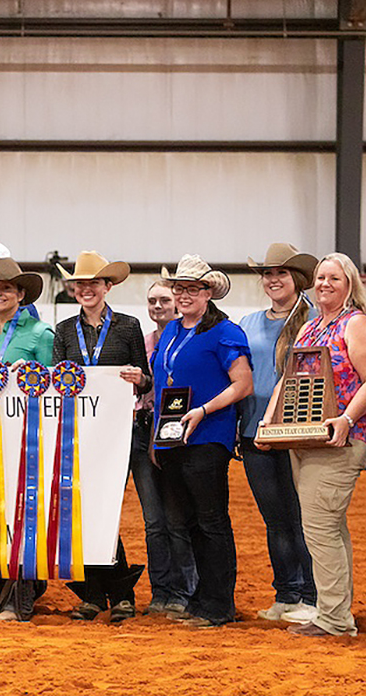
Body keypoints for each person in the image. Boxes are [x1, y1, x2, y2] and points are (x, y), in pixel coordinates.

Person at [260, 252, 366, 638]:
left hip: (340, 440)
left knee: (319, 527)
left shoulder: (356, 324)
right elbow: (288, 378)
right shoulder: (311, 328)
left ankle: (333, 619)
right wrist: (269, 419)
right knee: (327, 526)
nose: (325, 284)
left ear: (350, 284)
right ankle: (336, 611)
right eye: (320, 277)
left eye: (334, 278)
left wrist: (347, 420)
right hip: (307, 437)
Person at [152, 255, 252, 628]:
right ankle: (202, 597)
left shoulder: (225, 332)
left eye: (193, 288)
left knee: (211, 521)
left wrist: (204, 411)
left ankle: (219, 603)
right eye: (179, 288)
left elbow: (243, 384)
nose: (184, 295)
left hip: (208, 435)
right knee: (190, 521)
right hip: (172, 439)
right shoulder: (172, 331)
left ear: (208, 292)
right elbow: (165, 386)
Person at [51, 251, 150, 623]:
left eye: (94, 283)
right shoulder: (63, 331)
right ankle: (107, 593)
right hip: (78, 435)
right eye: (80, 284)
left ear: (107, 286)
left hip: (116, 434)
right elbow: (57, 381)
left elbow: (147, 378)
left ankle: (107, 594)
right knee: (85, 511)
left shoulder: (127, 326)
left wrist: (140, 379)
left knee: (104, 510)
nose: (86, 289)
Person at [0, 257, 54, 621]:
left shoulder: (40, 334)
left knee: (26, 515)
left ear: (20, 293)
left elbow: (54, 384)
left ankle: (20, 600)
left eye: (6, 288)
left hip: (28, 439)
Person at [239, 243, 318, 623]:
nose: (272, 280)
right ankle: (287, 592)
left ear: (296, 279)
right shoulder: (248, 323)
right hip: (254, 431)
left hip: (299, 432)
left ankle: (312, 595)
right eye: (267, 274)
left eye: (280, 273)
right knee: (276, 519)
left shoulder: (315, 321)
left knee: (303, 517)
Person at [133, 280, 198, 616]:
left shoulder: (188, 339)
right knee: (153, 520)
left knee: (176, 517)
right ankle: (160, 591)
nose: (158, 306)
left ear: (177, 304)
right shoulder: (142, 342)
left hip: (176, 432)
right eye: (152, 301)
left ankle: (183, 590)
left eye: (164, 300)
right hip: (145, 429)